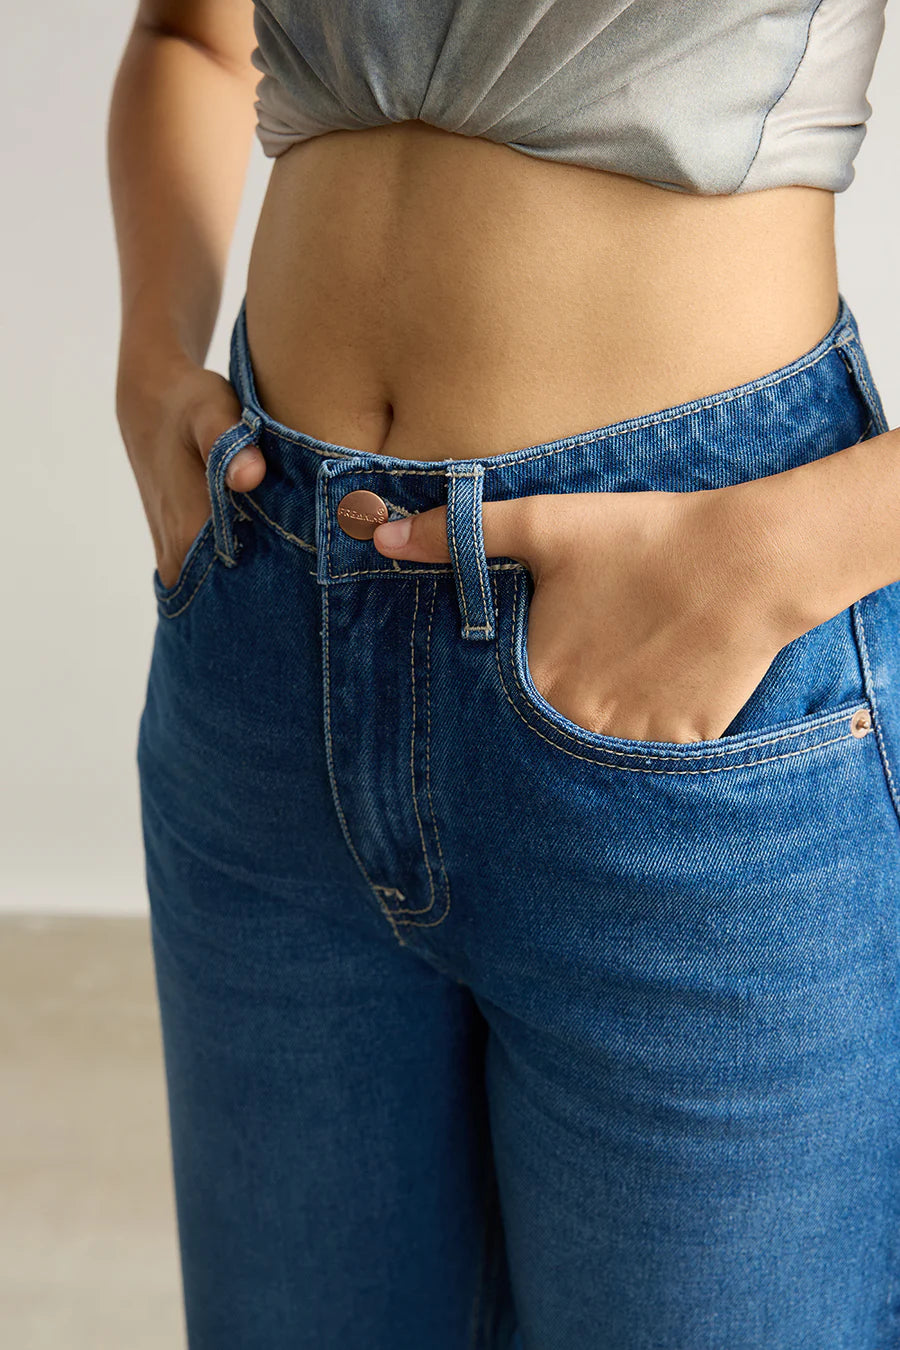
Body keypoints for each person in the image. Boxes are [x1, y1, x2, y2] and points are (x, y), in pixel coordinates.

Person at [107, 3, 899, 1347]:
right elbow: (190, 32)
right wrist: (146, 354)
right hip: (266, 629)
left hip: (689, 679)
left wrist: (771, 555)